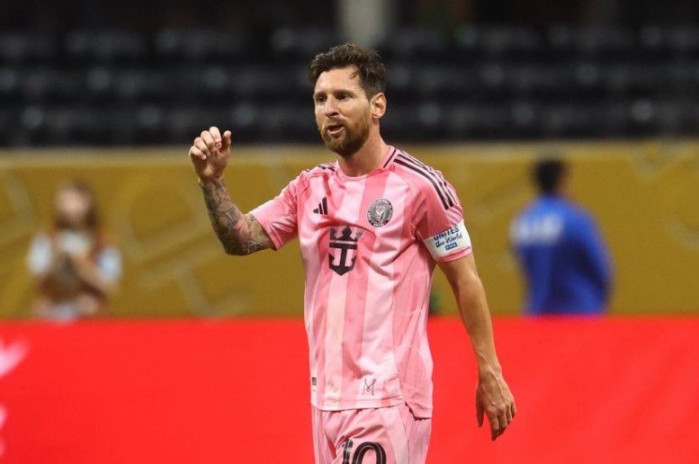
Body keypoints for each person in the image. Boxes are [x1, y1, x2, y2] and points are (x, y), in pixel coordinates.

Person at [189, 43, 515, 463]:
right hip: (325, 400)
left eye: (343, 97)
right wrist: (212, 181)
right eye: (320, 99)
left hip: (388, 398)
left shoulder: (421, 187)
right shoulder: (308, 188)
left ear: (377, 105)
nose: (329, 109)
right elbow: (240, 238)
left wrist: (490, 371)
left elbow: (465, 279)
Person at [510, 158, 613, 315]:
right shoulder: (575, 219)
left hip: (538, 313)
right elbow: (601, 269)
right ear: (562, 180)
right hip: (577, 312)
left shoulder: (523, 222)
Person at [26, 180, 122, 321]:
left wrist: (83, 266)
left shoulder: (102, 241)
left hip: (89, 313)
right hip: (53, 312)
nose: (69, 208)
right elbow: (37, 279)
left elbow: (111, 287)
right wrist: (56, 259)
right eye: (64, 202)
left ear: (87, 203)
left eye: (74, 202)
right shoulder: (48, 238)